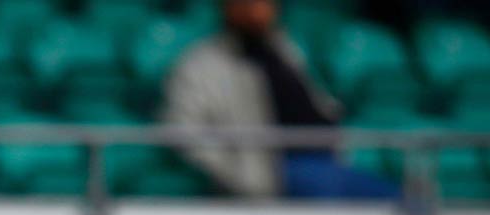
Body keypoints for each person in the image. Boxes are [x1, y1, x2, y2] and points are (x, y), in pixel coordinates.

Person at [162, 0, 396, 201]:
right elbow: (182, 131)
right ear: (228, 8)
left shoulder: (284, 47)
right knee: (324, 189)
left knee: (405, 200)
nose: (259, 10)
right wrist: (236, 173)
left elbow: (317, 103)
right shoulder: (200, 63)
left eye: (265, 3)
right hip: (272, 170)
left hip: (324, 158)